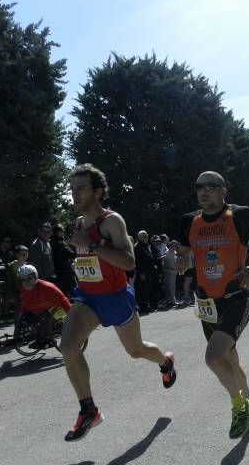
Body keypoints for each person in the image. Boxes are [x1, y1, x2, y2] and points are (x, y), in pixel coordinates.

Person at [60, 164, 177, 441]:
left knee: (135, 350)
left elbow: (128, 262)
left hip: (115, 297)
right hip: (87, 297)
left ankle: (165, 362)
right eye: (72, 189)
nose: (75, 194)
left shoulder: (112, 221)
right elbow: (88, 259)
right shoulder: (79, 224)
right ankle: (88, 410)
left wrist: (92, 246)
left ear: (98, 192)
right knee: (67, 346)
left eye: (81, 189)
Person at [176, 171, 249, 439]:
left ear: (224, 191)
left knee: (213, 357)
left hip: (235, 298)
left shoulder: (241, 215)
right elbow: (186, 252)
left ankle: (239, 408)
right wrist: (182, 261)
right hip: (206, 304)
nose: (204, 191)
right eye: (200, 186)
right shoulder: (188, 221)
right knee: (229, 359)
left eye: (212, 186)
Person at [17, 264, 71, 346]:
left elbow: (63, 300)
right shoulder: (24, 290)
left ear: (35, 276)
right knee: (29, 318)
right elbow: (24, 305)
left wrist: (72, 316)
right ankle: (40, 337)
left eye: (29, 278)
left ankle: (49, 340)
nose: (26, 282)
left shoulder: (47, 287)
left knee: (44, 318)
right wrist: (22, 317)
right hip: (42, 310)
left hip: (57, 309)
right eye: (23, 280)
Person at [134, 230, 160, 313]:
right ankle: (143, 306)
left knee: (149, 288)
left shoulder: (146, 246)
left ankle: (150, 305)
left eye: (147, 236)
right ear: (139, 237)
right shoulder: (137, 246)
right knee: (143, 290)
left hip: (150, 271)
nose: (146, 238)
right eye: (144, 236)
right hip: (143, 272)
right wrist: (141, 273)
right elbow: (137, 261)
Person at [50, 225, 78, 297]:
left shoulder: (50, 243)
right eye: (62, 231)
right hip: (66, 271)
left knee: (64, 293)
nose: (64, 233)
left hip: (58, 272)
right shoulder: (61, 243)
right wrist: (76, 246)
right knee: (75, 291)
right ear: (58, 232)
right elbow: (73, 255)